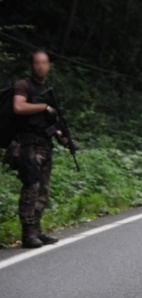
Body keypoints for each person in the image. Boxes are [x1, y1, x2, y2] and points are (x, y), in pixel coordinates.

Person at [11, 50, 63, 248]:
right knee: (31, 187)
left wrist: (61, 136)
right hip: (28, 145)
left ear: (49, 66)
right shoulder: (24, 85)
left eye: (44, 63)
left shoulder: (48, 90)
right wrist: (42, 107)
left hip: (45, 145)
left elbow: (51, 120)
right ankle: (28, 233)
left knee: (43, 190)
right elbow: (19, 107)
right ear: (32, 65)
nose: (41, 66)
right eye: (37, 63)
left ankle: (37, 230)